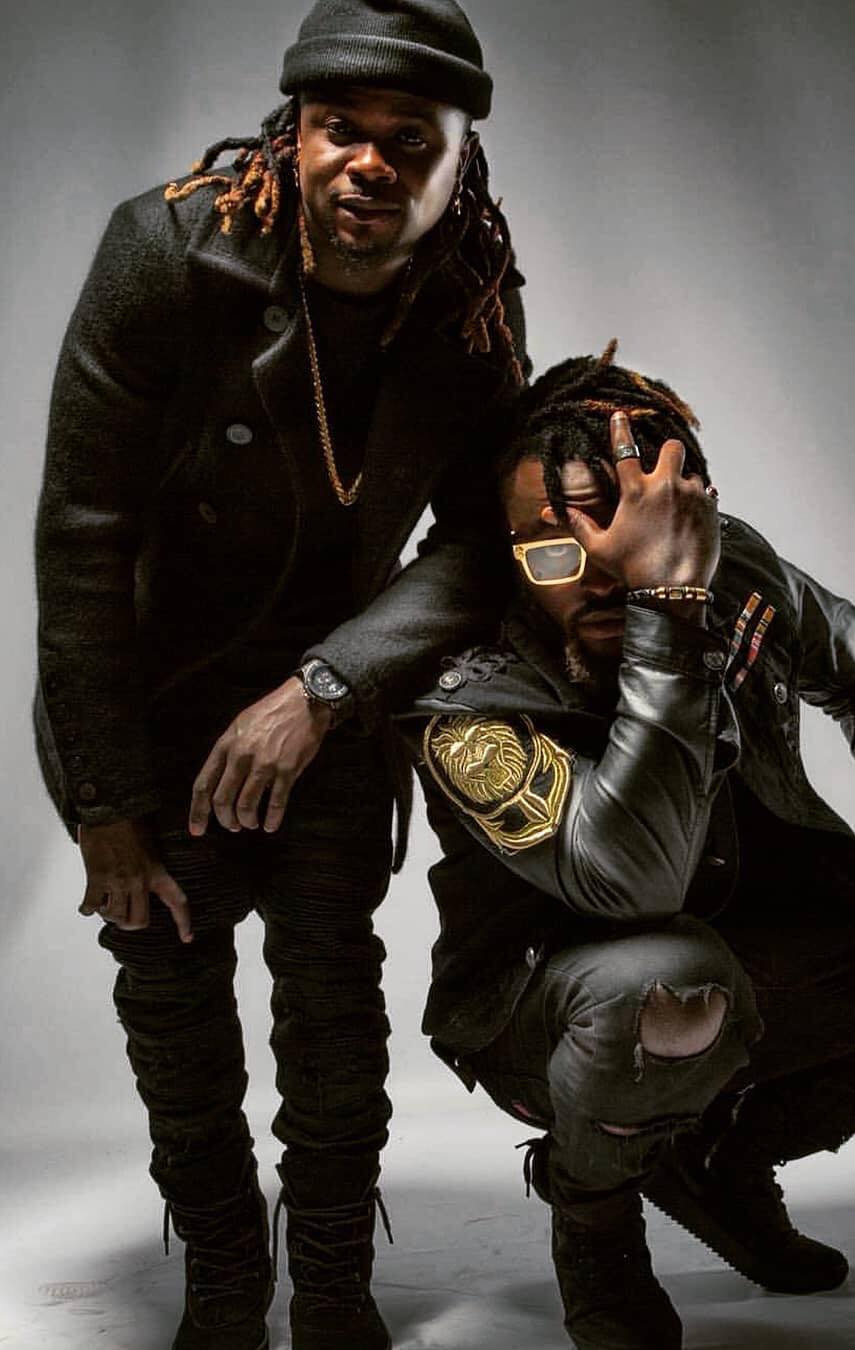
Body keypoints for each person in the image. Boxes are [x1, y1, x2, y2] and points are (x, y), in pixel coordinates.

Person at [396, 344, 855, 1350]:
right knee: (670, 983)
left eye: (634, 541)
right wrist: (665, 614)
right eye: (553, 551)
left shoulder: (729, 566)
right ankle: (594, 1221)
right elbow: (633, 884)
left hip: (752, 954)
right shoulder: (465, 695)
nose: (600, 576)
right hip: (552, 999)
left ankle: (717, 1159)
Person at [32, 3, 528, 1347]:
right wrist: (108, 802)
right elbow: (82, 535)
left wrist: (327, 686)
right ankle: (220, 1282)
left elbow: (487, 540)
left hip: (331, 696)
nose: (369, 163)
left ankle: (334, 1291)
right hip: (150, 693)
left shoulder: (473, 296)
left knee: (333, 1000)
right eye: (339, 128)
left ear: (461, 155)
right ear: (293, 133)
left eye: (410, 140)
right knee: (173, 1003)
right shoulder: (168, 250)